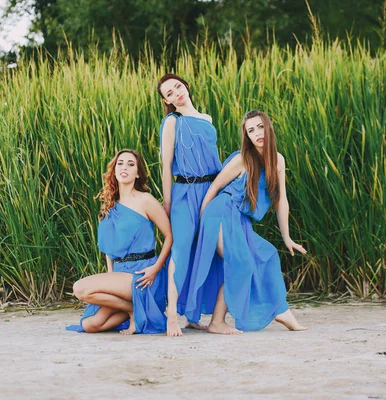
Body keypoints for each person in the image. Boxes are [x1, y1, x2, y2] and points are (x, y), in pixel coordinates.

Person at [186, 110, 308, 334]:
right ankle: (217, 322)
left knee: (268, 255)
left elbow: (282, 201)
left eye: (260, 127)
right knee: (241, 262)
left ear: (268, 128)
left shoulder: (278, 160)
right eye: (251, 130)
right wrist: (202, 226)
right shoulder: (242, 159)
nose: (257, 133)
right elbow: (213, 189)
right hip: (220, 213)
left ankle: (282, 311)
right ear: (247, 136)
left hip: (240, 220)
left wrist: (287, 237)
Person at [66, 149, 171, 335]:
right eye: (120, 163)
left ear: (137, 173)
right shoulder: (110, 204)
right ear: (114, 170)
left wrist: (156, 268)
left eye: (131, 164)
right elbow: (109, 248)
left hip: (143, 273)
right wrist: (110, 276)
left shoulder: (145, 200)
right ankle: (132, 309)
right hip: (120, 273)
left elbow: (169, 236)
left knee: (79, 288)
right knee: (90, 325)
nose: (124, 167)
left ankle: (134, 309)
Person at [157, 73, 223, 336]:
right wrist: (168, 201)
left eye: (177, 87)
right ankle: (172, 313)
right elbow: (166, 165)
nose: (176, 93)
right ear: (167, 101)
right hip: (185, 191)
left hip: (211, 191)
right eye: (169, 93)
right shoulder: (172, 121)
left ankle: (194, 314)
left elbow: (214, 158)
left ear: (185, 86)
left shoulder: (207, 119)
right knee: (182, 248)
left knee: (205, 250)